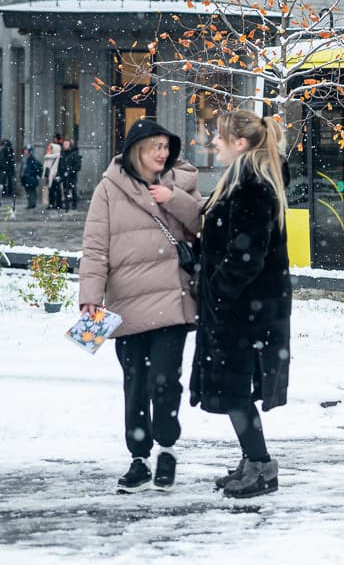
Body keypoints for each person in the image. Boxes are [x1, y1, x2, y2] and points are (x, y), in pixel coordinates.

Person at [79, 119, 203, 493]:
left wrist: (174, 200)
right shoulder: (108, 189)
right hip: (127, 303)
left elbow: (203, 225)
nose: (163, 154)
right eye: (155, 147)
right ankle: (139, 458)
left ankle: (166, 448)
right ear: (137, 150)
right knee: (135, 385)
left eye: (166, 147)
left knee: (165, 381)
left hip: (171, 300)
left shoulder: (181, 182)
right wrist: (90, 297)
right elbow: (95, 247)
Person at [189, 110, 292, 499]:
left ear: (241, 144)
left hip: (243, 312)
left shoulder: (251, 186)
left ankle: (261, 465)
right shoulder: (244, 181)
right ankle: (253, 462)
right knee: (236, 390)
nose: (213, 142)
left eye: (219, 137)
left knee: (235, 390)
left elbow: (247, 254)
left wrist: (216, 291)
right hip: (244, 308)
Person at [59, 139, 82, 211]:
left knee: (73, 190)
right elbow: (60, 165)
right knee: (66, 191)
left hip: (71, 176)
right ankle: (67, 206)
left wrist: (70, 171)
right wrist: (60, 174)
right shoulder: (62, 154)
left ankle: (74, 205)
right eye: (64, 144)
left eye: (66, 144)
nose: (65, 146)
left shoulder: (74, 154)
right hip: (65, 176)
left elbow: (78, 166)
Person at [43, 134, 62, 210]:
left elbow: (48, 165)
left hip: (54, 174)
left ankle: (55, 204)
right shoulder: (56, 155)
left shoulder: (55, 155)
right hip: (53, 174)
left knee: (55, 190)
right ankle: (55, 204)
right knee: (54, 190)